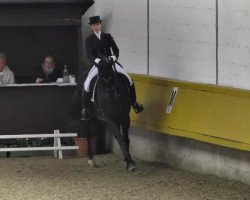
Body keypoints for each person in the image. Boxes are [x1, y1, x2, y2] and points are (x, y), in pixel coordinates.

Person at [81, 15, 143, 120]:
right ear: (91, 27)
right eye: (94, 25)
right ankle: (85, 109)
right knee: (87, 84)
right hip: (97, 65)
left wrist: (113, 58)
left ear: (101, 25)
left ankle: (134, 102)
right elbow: (89, 55)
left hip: (110, 63)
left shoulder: (107, 36)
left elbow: (116, 49)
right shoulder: (89, 40)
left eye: (97, 24)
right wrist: (97, 61)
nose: (96, 26)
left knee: (129, 79)